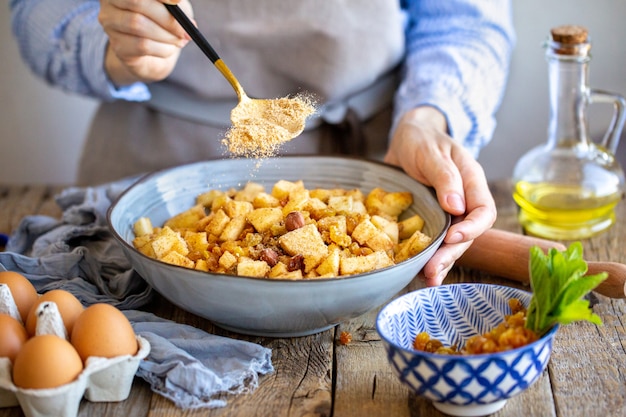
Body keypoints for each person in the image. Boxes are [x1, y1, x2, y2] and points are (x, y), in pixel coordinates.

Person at [9, 0, 515, 286]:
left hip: (378, 149)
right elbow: (39, 12)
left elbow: (465, 18)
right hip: (154, 155)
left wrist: (427, 118)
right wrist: (120, 46)